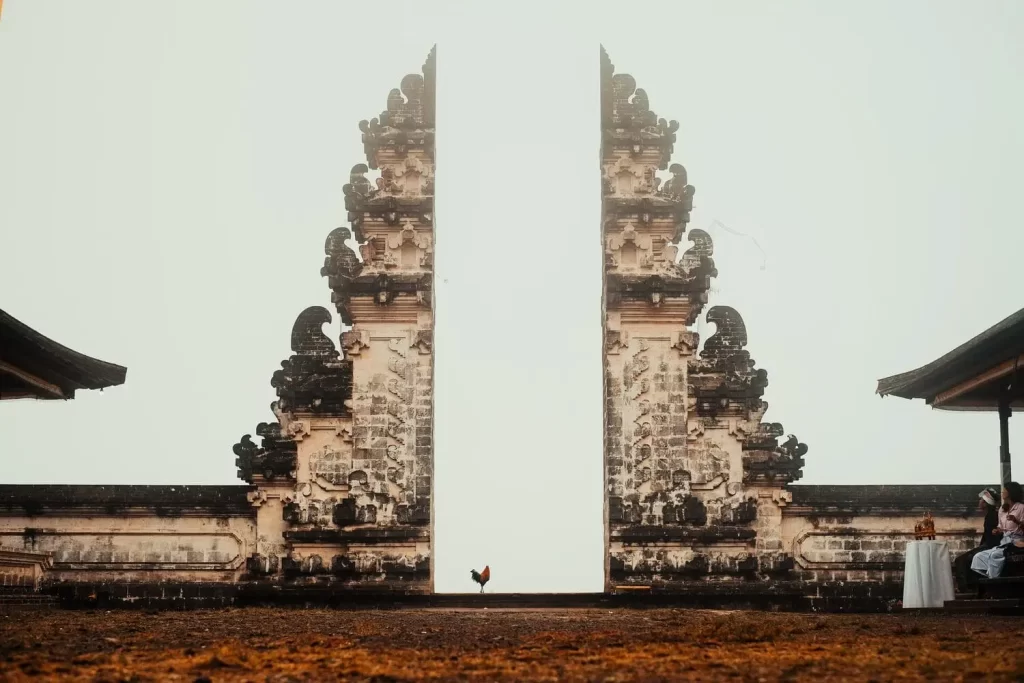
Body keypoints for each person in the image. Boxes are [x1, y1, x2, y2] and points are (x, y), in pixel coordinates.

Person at [970, 481, 1024, 580]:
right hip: (1004, 542)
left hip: (1017, 542)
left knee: (995, 556)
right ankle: (991, 579)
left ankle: (994, 580)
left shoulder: (1021, 508)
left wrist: (1016, 521)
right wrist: (997, 530)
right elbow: (1001, 528)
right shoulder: (1002, 510)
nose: (1002, 492)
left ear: (1010, 493)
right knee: (978, 556)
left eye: (1004, 490)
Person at [954, 487, 1002, 592]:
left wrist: (982, 548)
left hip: (990, 546)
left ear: (985, 503)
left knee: (960, 560)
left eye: (981, 500)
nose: (979, 502)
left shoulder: (992, 516)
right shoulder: (991, 515)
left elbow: (992, 538)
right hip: (987, 545)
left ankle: (965, 589)